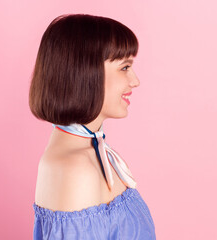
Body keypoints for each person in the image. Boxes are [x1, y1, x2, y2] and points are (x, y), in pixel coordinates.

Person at [29, 14, 156, 239]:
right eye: (125, 67)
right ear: (86, 73)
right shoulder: (76, 168)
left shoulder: (97, 152)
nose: (135, 81)